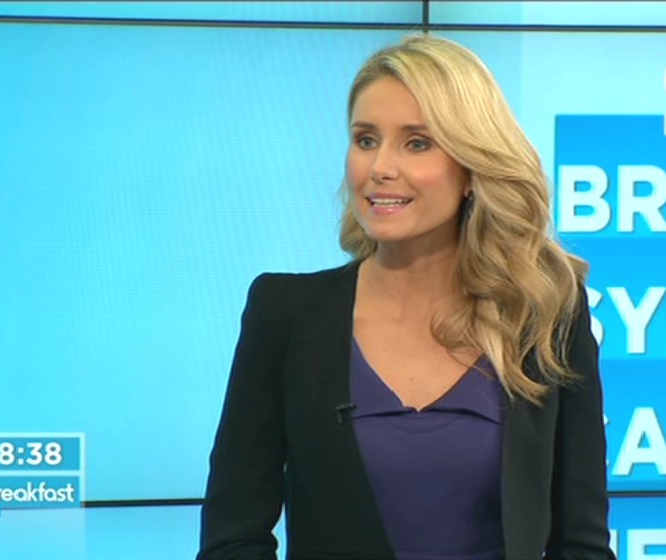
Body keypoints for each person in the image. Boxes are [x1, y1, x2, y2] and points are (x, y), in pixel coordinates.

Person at [198, 33, 614, 560]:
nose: (380, 168)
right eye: (365, 140)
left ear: (472, 167)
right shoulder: (286, 314)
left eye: (416, 143)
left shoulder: (544, 315)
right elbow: (233, 538)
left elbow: (580, 543)